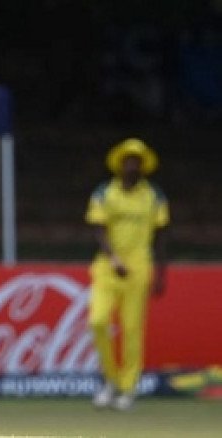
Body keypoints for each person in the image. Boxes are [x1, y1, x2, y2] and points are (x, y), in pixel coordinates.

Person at [85, 138, 169, 411]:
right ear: (119, 164)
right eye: (128, 161)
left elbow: (162, 235)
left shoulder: (154, 196)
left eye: (137, 161)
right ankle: (111, 380)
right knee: (97, 321)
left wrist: (161, 273)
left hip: (139, 267)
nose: (132, 165)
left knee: (132, 330)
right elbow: (98, 229)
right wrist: (113, 258)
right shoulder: (104, 192)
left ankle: (128, 388)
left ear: (143, 166)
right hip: (107, 267)